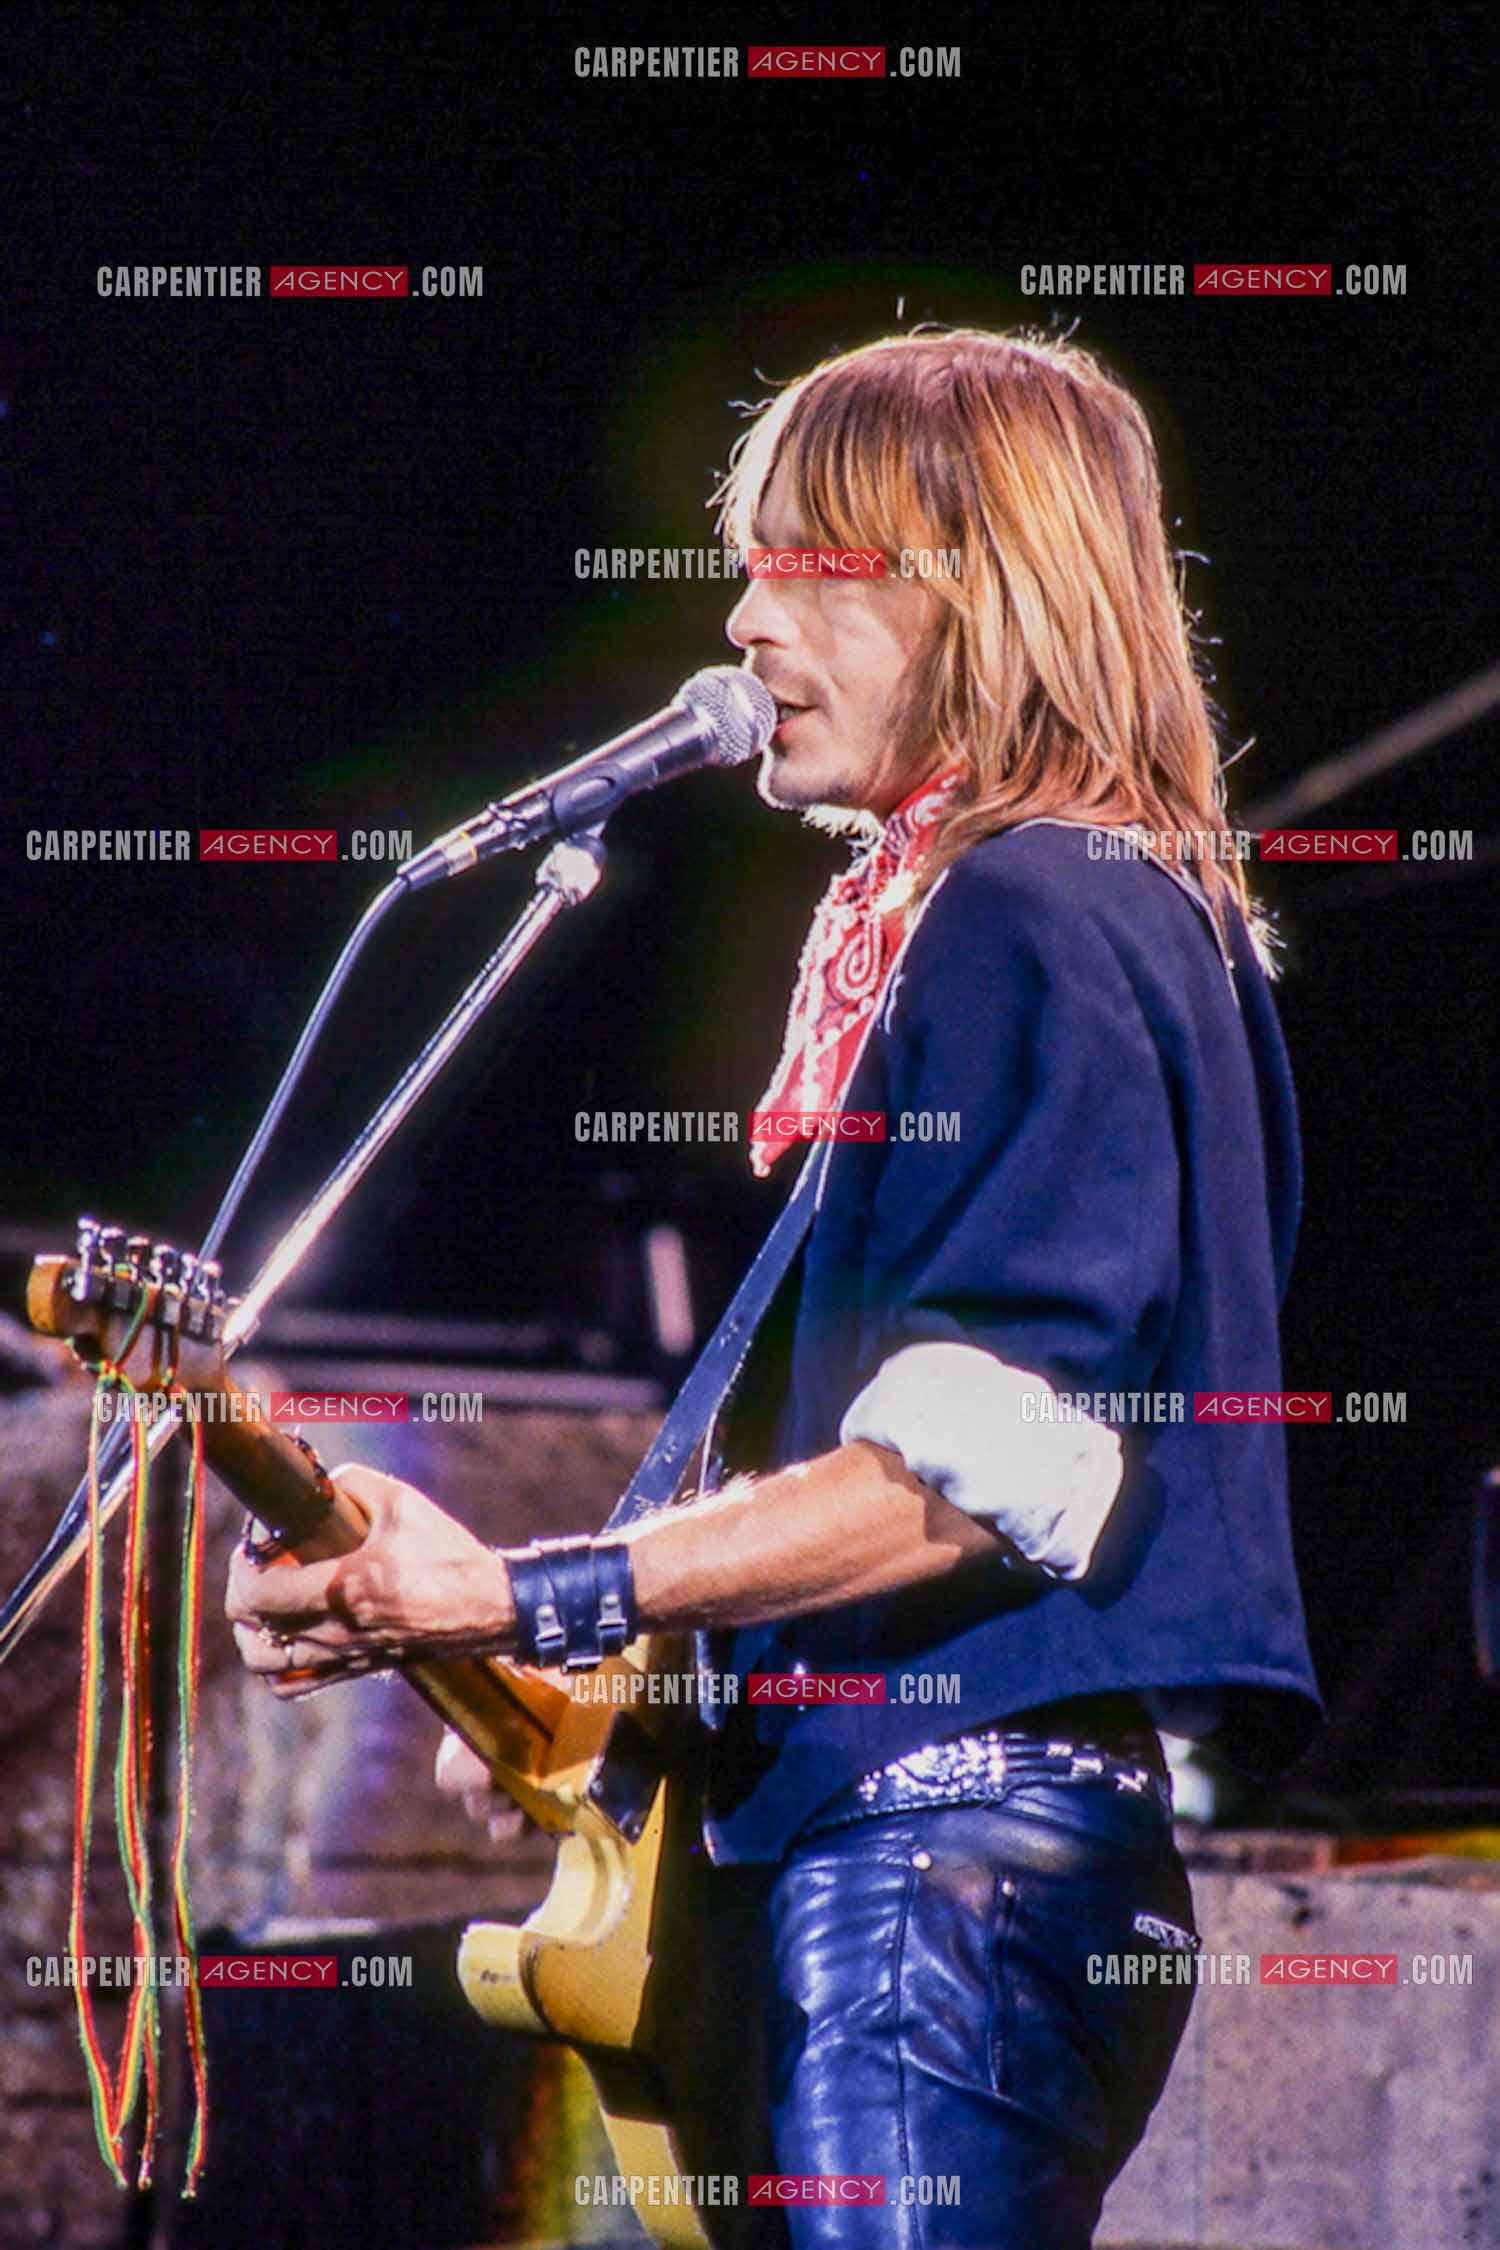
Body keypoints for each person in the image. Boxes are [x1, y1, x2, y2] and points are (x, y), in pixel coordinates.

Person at [227, 327, 1321, 2247]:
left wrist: (520, 1587)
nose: (737, 620)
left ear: (972, 582)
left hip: (938, 1862)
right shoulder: (1103, 903)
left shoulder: (1027, 908)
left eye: (804, 563)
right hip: (964, 1853)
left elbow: (980, 1466)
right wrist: (544, 1645)